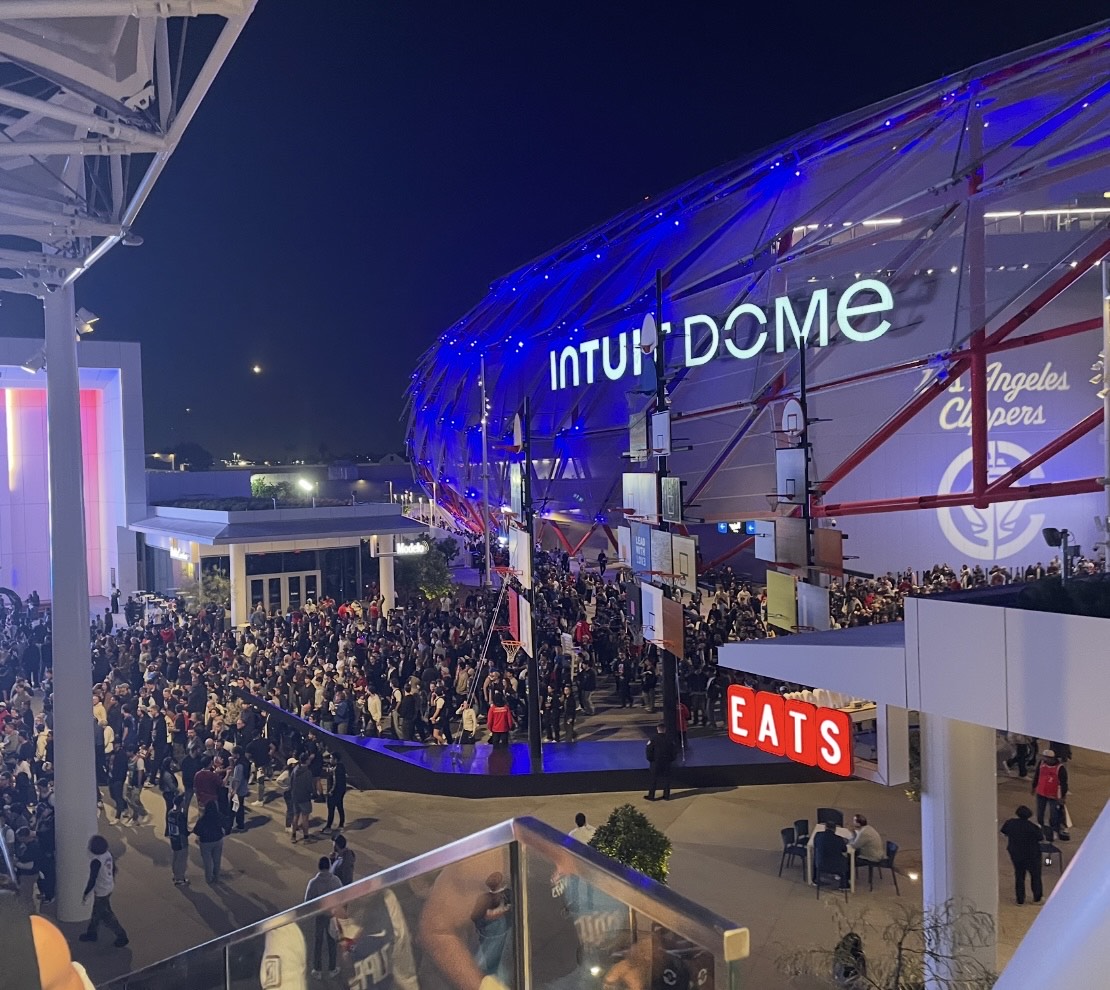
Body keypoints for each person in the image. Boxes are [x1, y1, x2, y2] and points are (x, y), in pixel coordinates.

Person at [78, 835, 129, 947]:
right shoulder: (107, 854)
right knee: (97, 912)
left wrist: (86, 894)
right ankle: (92, 933)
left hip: (101, 891)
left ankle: (122, 936)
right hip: (108, 886)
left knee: (107, 916)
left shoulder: (96, 861)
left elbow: (92, 879)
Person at [306, 855, 343, 979]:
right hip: (331, 915)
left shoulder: (313, 883)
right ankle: (332, 968)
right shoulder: (336, 881)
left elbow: (307, 901)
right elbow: (341, 897)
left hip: (319, 915)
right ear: (329, 866)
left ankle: (317, 969)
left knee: (318, 942)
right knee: (332, 941)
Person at [1000, 805, 1043, 905]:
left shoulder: (1010, 823)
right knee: (1035, 875)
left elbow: (1003, 831)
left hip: (1016, 853)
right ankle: (1037, 898)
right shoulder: (1032, 827)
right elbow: (1040, 838)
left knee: (1019, 875)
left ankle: (1020, 899)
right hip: (1032, 855)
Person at [1030, 749, 1070, 840]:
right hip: (1041, 793)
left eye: (1046, 757)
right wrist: (1034, 786)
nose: (1044, 759)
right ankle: (1040, 827)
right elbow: (1037, 775)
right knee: (1040, 812)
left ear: (1052, 758)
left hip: (1054, 795)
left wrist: (1062, 796)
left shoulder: (1060, 768)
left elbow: (1064, 783)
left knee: (1054, 815)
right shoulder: (1041, 764)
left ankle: (1054, 830)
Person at [193, 800, 225, 884]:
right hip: (218, 840)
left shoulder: (202, 819)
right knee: (217, 860)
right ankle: (216, 877)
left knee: (207, 862)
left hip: (205, 842)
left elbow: (196, 830)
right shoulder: (219, 816)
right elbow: (225, 826)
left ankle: (209, 878)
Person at [813, 821, 850, 890]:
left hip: (820, 864)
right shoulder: (838, 839)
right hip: (836, 865)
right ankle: (844, 883)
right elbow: (844, 850)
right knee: (847, 860)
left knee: (817, 855)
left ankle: (815, 879)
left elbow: (815, 844)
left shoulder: (818, 835)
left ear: (825, 827)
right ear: (835, 829)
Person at [645, 723, 675, 801]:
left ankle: (651, 796)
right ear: (665, 730)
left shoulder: (653, 739)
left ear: (657, 729)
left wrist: (651, 759)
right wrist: (671, 759)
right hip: (666, 762)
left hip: (656, 762)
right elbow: (674, 751)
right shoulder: (669, 739)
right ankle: (666, 796)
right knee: (666, 779)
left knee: (653, 779)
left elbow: (649, 750)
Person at [165, 794, 190, 886]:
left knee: (175, 857)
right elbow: (184, 831)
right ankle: (180, 878)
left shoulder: (171, 812)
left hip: (173, 839)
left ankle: (175, 875)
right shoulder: (181, 815)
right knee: (181, 859)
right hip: (181, 841)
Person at [290, 752, 315, 843]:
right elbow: (309, 787)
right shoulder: (308, 772)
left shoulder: (295, 769)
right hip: (304, 797)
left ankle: (293, 836)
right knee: (305, 818)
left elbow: (291, 782)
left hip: (295, 796)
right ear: (306, 760)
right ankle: (306, 838)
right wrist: (312, 793)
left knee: (296, 816)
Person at [324, 753, 347, 832]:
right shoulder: (338, 767)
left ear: (335, 760)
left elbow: (335, 782)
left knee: (332, 808)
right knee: (339, 807)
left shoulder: (336, 770)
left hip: (335, 792)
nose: (330, 760)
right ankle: (340, 825)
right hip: (340, 791)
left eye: (331, 758)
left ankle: (329, 826)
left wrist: (330, 792)